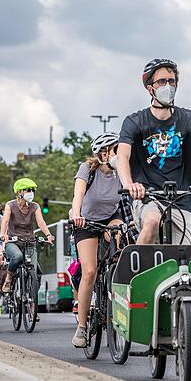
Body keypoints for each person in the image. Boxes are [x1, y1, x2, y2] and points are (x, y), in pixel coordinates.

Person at [115, 58, 191, 245]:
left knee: (186, 252)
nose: (168, 86)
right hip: (147, 195)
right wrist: (130, 185)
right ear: (150, 88)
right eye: (162, 81)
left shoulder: (190, 119)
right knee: (152, 221)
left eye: (172, 81)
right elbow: (122, 156)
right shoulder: (134, 121)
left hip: (183, 197)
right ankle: (136, 267)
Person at [69, 133, 124, 348]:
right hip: (86, 220)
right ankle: (82, 327)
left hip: (111, 216)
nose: (118, 155)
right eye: (114, 150)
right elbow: (78, 194)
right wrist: (76, 214)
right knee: (90, 271)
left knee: (119, 237)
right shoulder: (87, 169)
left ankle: (113, 278)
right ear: (103, 153)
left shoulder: (122, 170)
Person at [0, 178, 54, 294]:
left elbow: (41, 222)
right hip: (13, 242)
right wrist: (3, 234)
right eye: (28, 190)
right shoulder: (10, 205)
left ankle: (31, 301)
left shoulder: (35, 206)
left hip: (29, 242)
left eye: (33, 190)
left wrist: (48, 234)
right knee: (17, 257)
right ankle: (9, 279)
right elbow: (5, 221)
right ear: (19, 192)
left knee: (36, 272)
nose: (31, 193)